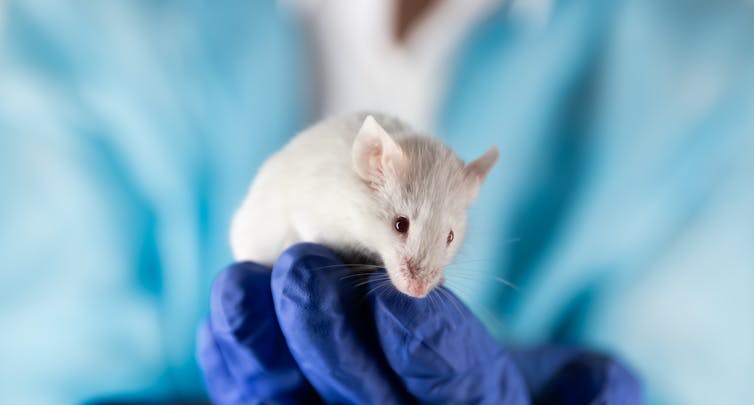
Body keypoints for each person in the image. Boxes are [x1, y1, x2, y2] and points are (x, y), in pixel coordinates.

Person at [1, 0, 752, 404]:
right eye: (397, 226)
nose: (426, 275)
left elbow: (694, 373)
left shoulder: (713, 65)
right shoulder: (82, 23)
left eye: (449, 243)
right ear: (370, 166)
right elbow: (41, 365)